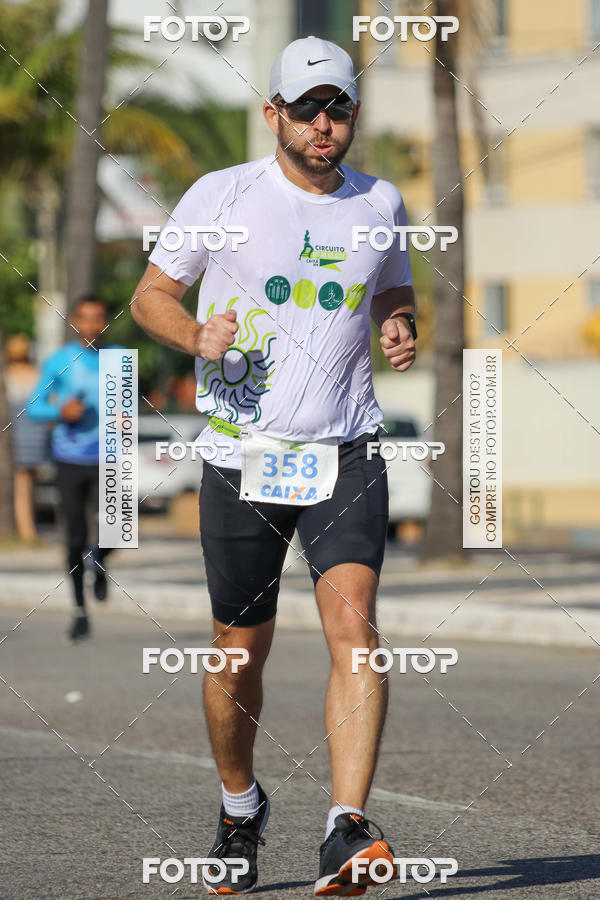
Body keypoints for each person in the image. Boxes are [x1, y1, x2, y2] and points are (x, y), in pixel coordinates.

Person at [131, 36, 417, 897]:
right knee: (235, 654)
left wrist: (399, 322)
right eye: (307, 109)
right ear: (274, 116)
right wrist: (193, 336)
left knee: (354, 624)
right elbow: (150, 296)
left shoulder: (383, 201)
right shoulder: (223, 196)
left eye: (339, 109)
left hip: (346, 449)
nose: (324, 124)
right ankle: (237, 807)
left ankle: (346, 827)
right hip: (241, 455)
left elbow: (391, 287)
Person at [27, 295, 117, 642]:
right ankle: (79, 611)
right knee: (74, 536)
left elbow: (132, 405)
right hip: (68, 458)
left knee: (120, 529)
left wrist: (127, 418)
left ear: (106, 321)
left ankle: (100, 558)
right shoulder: (59, 361)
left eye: (99, 318)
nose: (92, 326)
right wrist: (59, 413)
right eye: (85, 318)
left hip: (110, 457)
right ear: (75, 322)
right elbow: (34, 407)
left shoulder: (119, 358)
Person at [5, 334, 51, 541]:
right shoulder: (37, 374)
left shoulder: (6, 375)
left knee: (22, 485)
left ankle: (27, 531)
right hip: (36, 433)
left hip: (19, 434)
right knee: (30, 483)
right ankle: (29, 528)